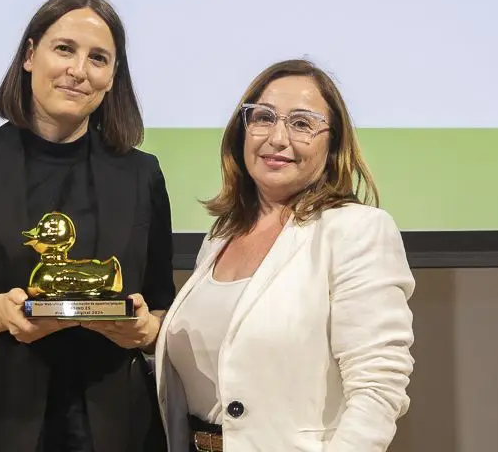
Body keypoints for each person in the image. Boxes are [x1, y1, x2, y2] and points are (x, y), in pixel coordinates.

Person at [0, 0, 175, 452]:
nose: (78, 70)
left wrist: (145, 330)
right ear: (29, 55)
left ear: (112, 77)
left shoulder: (142, 175)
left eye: (98, 58)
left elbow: (161, 310)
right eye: (64, 49)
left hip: (112, 425)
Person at [154, 59, 416, 452]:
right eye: (263, 118)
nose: (278, 138)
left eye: (302, 123)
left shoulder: (356, 229)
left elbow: (378, 389)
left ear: (332, 145)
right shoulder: (220, 236)